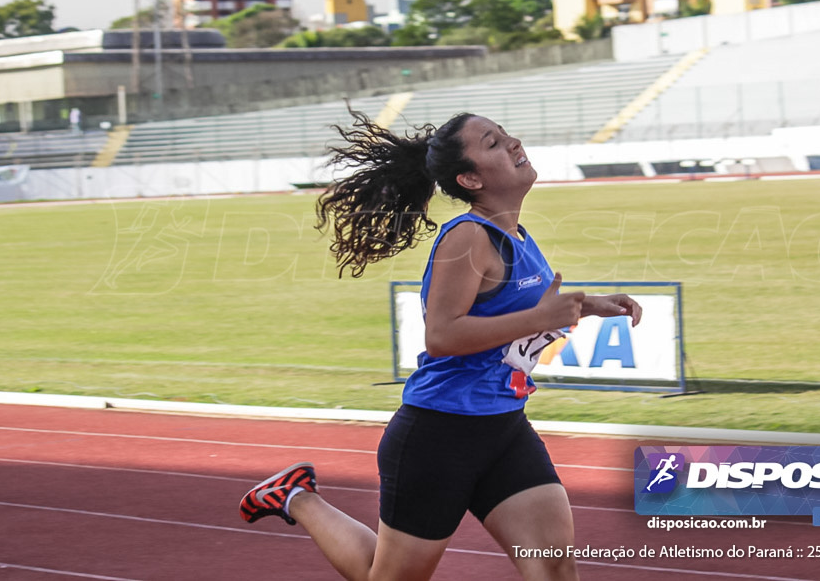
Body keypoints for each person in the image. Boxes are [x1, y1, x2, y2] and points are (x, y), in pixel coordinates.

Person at [239, 110, 643, 580]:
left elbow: (516, 308)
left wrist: (587, 304)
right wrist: (539, 317)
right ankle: (296, 496)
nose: (513, 142)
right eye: (493, 143)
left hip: (504, 430)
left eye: (506, 133)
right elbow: (443, 335)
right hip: (439, 436)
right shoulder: (467, 237)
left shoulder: (517, 235)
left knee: (553, 571)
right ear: (469, 177)